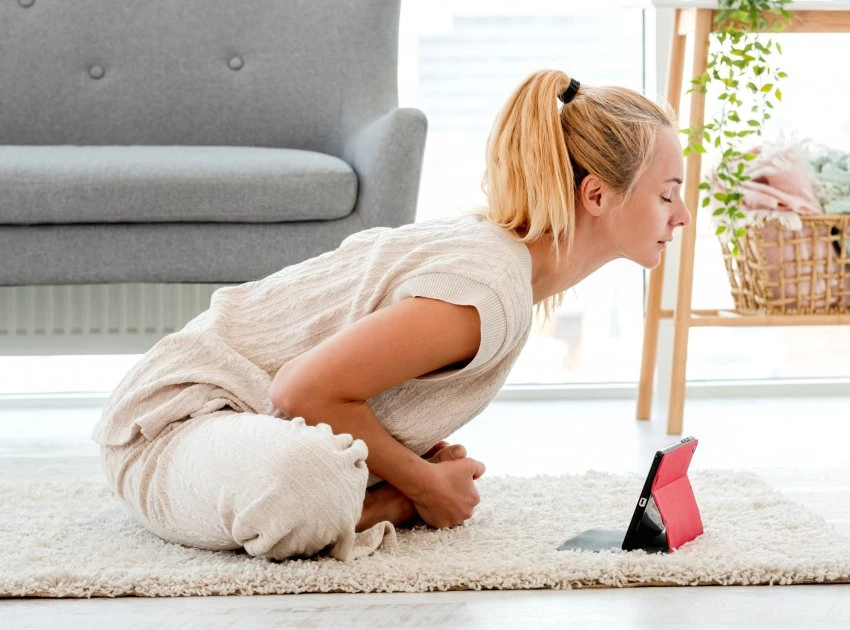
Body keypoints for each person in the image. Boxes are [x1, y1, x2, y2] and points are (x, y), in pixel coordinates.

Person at [91, 69, 690, 562]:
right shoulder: (484, 289)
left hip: (240, 432)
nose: (682, 215)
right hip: (169, 430)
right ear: (595, 196)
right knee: (308, 480)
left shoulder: (509, 276)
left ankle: (378, 491)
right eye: (667, 194)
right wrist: (422, 485)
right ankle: (385, 504)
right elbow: (301, 390)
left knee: (322, 469)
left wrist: (403, 460)